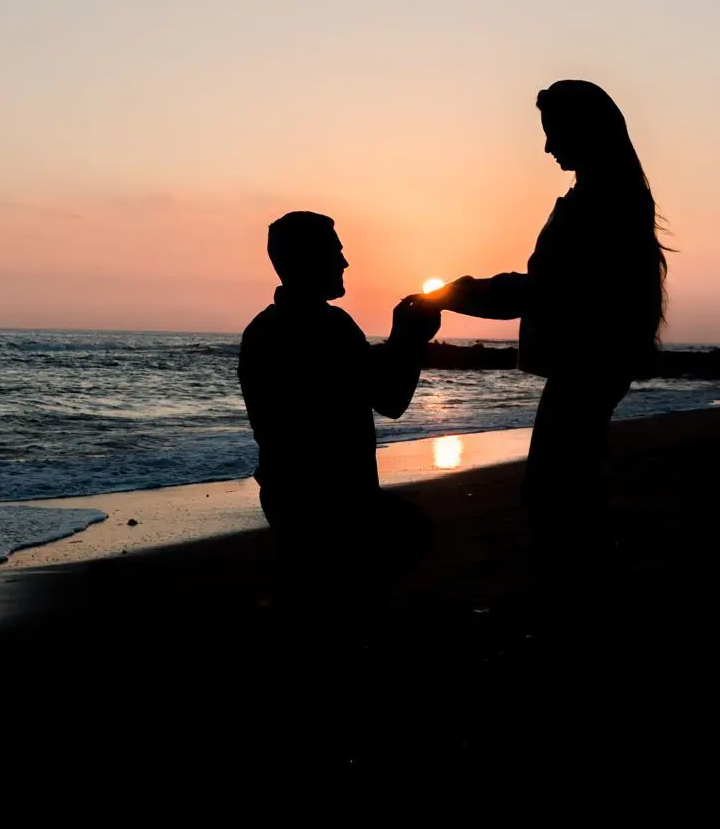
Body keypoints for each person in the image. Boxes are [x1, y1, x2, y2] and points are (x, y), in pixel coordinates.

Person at [432, 80, 668, 611]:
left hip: (585, 365)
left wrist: (457, 294)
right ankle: (578, 610)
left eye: (552, 132)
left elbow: (544, 289)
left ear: (584, 130)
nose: (546, 147)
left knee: (553, 498)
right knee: (568, 494)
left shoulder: (599, 203)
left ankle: (570, 617)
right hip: (595, 363)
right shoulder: (613, 195)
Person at [238, 211, 441, 604]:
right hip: (326, 504)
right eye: (335, 252)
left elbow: (374, 388)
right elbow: (390, 398)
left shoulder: (273, 328)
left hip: (294, 497)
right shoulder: (323, 328)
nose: (345, 263)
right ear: (304, 259)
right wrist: (410, 340)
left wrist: (404, 342)